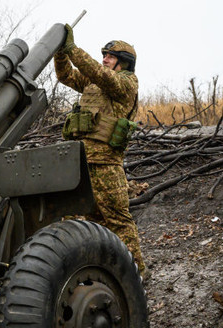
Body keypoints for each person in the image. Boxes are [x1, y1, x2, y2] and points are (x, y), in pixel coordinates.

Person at [54, 25, 148, 281]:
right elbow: (66, 75)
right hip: (81, 162)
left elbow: (99, 73)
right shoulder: (94, 82)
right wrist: (60, 51)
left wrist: (73, 48)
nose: (104, 59)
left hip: (106, 165)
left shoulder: (126, 83)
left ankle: (136, 277)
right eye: (104, 55)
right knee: (88, 222)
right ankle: (98, 274)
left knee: (118, 220)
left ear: (124, 63)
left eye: (110, 56)